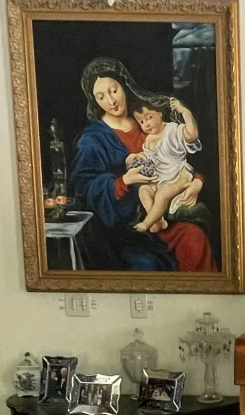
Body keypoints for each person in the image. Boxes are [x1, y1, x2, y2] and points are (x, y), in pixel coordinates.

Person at [66, 58, 216, 274]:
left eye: (114, 90)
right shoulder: (92, 140)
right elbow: (82, 189)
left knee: (195, 238)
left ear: (124, 85)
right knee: (145, 265)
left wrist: (197, 183)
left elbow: (180, 158)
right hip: (125, 229)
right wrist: (124, 181)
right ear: (94, 100)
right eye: (101, 96)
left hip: (168, 214)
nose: (111, 101)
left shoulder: (148, 119)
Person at [127, 94, 204, 234]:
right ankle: (158, 221)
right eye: (141, 122)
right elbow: (149, 158)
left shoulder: (173, 130)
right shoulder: (149, 139)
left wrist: (184, 112)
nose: (146, 124)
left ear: (160, 113)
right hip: (161, 177)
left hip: (179, 174)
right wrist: (137, 157)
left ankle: (146, 223)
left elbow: (192, 135)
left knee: (162, 195)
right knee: (143, 190)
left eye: (149, 117)